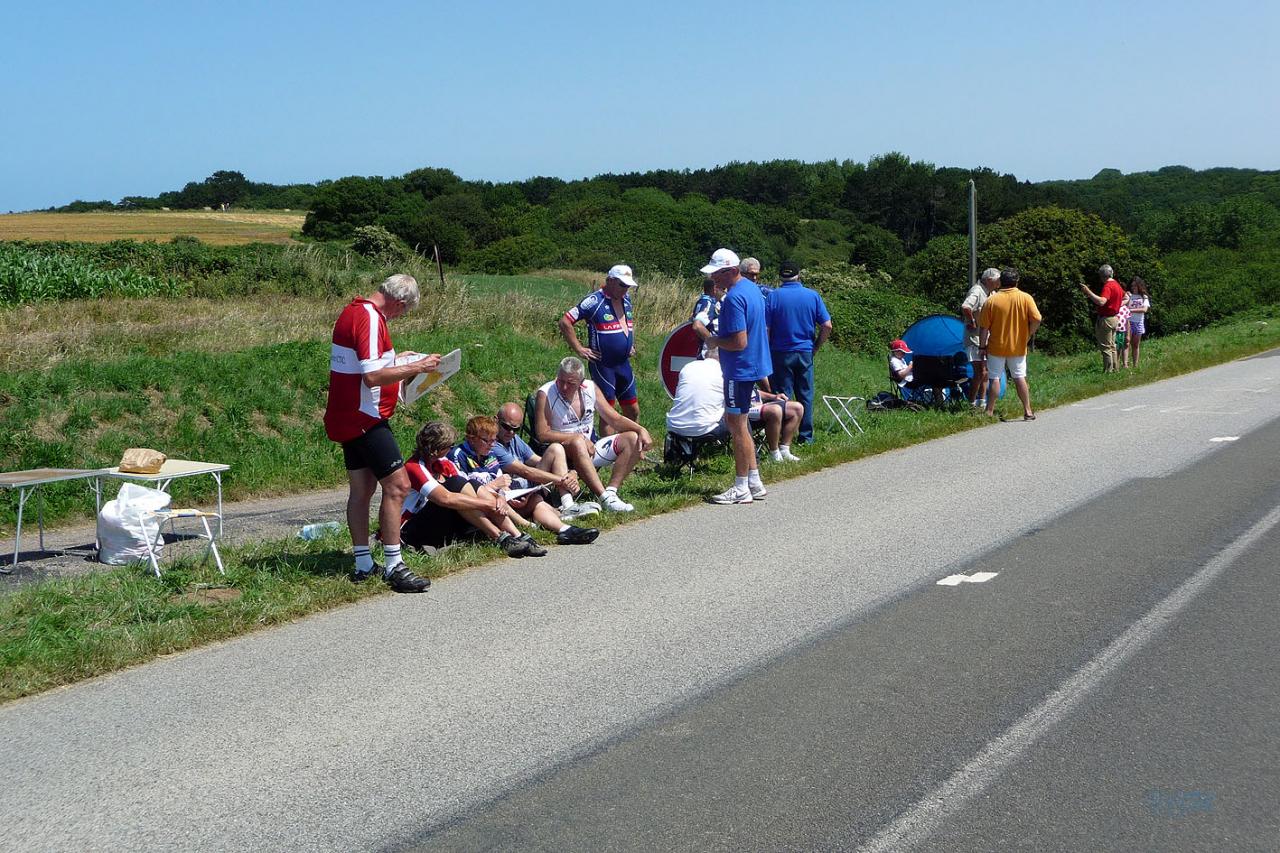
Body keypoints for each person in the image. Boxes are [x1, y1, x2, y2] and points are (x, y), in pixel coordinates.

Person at [324, 273, 440, 593]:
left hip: (348, 416)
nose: (400, 317)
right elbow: (373, 376)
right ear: (399, 303)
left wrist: (398, 359)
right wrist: (418, 367)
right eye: (404, 311)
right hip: (367, 418)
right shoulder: (373, 319)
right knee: (399, 486)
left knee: (361, 489)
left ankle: (363, 563)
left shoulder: (354, 310)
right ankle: (394, 564)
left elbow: (366, 361)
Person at [399, 421, 546, 558]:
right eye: (449, 446)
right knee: (455, 484)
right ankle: (498, 536)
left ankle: (516, 535)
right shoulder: (414, 467)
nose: (451, 448)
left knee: (471, 484)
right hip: (413, 528)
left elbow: (467, 486)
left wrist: (499, 498)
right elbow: (446, 498)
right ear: (437, 449)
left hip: (443, 520)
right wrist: (488, 504)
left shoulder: (442, 462)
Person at [447, 416, 599, 545]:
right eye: (487, 441)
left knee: (535, 499)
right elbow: (464, 491)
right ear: (471, 439)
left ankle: (565, 530)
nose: (492, 445)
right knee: (497, 498)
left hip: (503, 504)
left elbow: (504, 483)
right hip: (480, 510)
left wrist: (509, 494)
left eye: (494, 441)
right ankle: (531, 527)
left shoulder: (490, 454)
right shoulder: (457, 455)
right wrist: (495, 487)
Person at [533, 356, 653, 512]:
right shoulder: (546, 393)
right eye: (560, 381)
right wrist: (578, 438)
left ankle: (611, 491)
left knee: (633, 438)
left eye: (570, 384)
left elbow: (614, 419)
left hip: (590, 448)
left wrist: (640, 429)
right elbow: (542, 434)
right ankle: (604, 498)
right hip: (563, 450)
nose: (563, 387)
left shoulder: (590, 388)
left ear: (581, 383)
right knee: (577, 442)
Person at [700, 248, 772, 504]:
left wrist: (714, 340)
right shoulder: (753, 290)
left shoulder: (733, 299)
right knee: (743, 424)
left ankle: (741, 486)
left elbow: (739, 342)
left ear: (731, 271)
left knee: (737, 425)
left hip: (739, 368)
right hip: (752, 365)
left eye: (717, 274)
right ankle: (754, 481)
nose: (713, 280)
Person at [665, 350, 802, 462]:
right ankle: (753, 462)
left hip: (674, 427)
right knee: (741, 417)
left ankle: (783, 450)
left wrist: (771, 397)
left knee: (795, 408)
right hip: (707, 427)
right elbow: (738, 400)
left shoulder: (688, 367)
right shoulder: (726, 372)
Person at [559, 264, 639, 432]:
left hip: (623, 364)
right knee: (608, 413)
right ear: (610, 281)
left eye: (628, 285)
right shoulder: (594, 301)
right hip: (604, 365)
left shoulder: (627, 299)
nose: (626, 289)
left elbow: (625, 323)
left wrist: (628, 343)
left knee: (632, 410)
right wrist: (579, 348)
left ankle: (629, 446)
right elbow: (565, 321)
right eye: (622, 285)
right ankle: (608, 453)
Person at [494, 402, 600, 521]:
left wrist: (571, 473)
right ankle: (566, 509)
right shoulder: (492, 446)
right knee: (554, 451)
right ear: (496, 420)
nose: (511, 433)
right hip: (514, 496)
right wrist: (562, 480)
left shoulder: (513, 439)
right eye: (507, 427)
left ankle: (568, 504)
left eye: (516, 429)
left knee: (556, 449)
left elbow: (537, 460)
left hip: (529, 488)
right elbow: (525, 471)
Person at [766, 259, 831, 443]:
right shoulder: (812, 296)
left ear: (780, 277)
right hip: (804, 351)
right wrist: (816, 346)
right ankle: (806, 437)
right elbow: (827, 325)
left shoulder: (773, 296)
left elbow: (766, 329)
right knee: (805, 395)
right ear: (799, 276)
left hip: (780, 352)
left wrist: (768, 348)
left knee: (782, 396)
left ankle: (783, 438)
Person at [978, 267, 1042, 421]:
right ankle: (1027, 410)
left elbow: (984, 327)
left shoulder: (991, 300)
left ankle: (989, 411)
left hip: (996, 346)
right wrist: (1028, 333)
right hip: (1018, 346)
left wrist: (981, 346)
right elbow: (1037, 319)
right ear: (1016, 281)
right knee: (1020, 377)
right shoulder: (1025, 298)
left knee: (994, 378)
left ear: (1000, 282)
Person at [962, 268, 1000, 407]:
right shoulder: (977, 291)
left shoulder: (991, 293)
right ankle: (971, 402)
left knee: (985, 372)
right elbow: (966, 307)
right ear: (989, 280)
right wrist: (971, 321)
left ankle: (982, 401)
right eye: (997, 280)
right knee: (980, 372)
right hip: (974, 338)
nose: (999, 283)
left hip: (984, 337)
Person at [1078, 264, 1126, 372]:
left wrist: (1088, 292)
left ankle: (1108, 371)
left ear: (1102, 276)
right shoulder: (1117, 285)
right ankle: (1115, 369)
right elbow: (1126, 297)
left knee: (1106, 347)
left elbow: (1101, 301)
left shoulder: (1108, 286)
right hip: (1114, 318)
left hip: (1106, 319)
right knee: (1112, 346)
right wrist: (1117, 305)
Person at [691, 276, 726, 360]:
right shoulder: (709, 303)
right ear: (715, 288)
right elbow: (697, 326)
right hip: (708, 355)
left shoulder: (702, 300)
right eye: (723, 288)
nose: (725, 291)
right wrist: (713, 343)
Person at [1125, 277, 1151, 367]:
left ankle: (1135, 365)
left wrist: (1130, 310)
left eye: (1135, 285)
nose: (1133, 287)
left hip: (1139, 322)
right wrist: (1127, 297)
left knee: (1135, 345)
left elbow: (1144, 309)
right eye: (1132, 285)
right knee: (1127, 343)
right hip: (1129, 321)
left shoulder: (1144, 297)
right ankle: (1125, 364)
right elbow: (1123, 305)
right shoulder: (1128, 295)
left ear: (1139, 285)